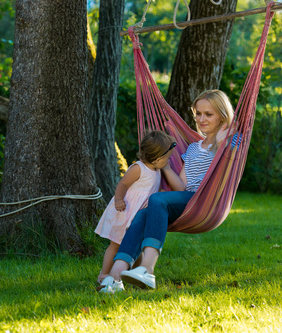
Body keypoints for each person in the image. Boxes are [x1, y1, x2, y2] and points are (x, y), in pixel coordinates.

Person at [99, 90, 235, 293]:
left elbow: (228, 166)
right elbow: (181, 186)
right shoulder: (193, 148)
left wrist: (223, 140)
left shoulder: (231, 142)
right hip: (184, 200)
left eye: (209, 114)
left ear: (223, 116)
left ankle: (147, 269)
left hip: (204, 202)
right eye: (198, 113)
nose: (201, 119)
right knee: (143, 214)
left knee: (157, 200)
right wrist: (165, 165)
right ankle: (115, 276)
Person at [95, 130, 177, 284]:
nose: (168, 161)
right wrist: (119, 199)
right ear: (157, 159)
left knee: (136, 244)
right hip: (125, 211)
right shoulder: (138, 168)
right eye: (167, 158)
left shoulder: (156, 169)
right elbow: (123, 184)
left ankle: (134, 275)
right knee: (115, 244)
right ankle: (104, 275)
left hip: (138, 216)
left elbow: (153, 190)